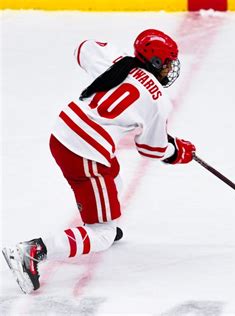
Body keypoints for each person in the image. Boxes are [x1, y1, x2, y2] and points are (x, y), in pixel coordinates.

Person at [2, 29, 195, 294]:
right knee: (102, 233)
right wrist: (176, 151)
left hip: (63, 133)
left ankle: (101, 220)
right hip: (86, 152)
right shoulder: (158, 101)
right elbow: (152, 148)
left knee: (114, 175)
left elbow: (84, 47)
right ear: (156, 63)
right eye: (169, 63)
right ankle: (33, 250)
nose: (171, 69)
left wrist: (115, 62)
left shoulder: (118, 63)